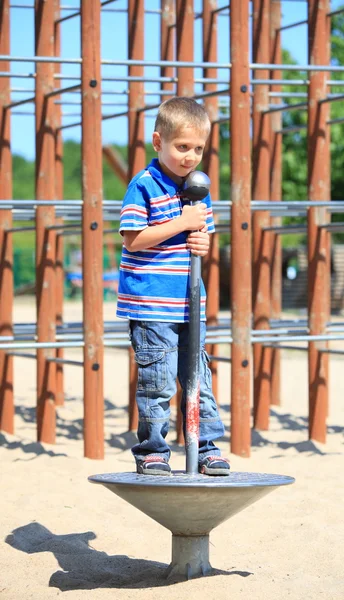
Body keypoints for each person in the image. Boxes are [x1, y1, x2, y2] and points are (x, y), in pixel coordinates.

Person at [117, 97, 230, 477]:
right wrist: (182, 223)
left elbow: (202, 240)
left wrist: (202, 240)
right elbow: (133, 239)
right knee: (158, 384)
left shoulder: (199, 188)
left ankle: (206, 446)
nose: (190, 156)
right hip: (151, 304)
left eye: (198, 148)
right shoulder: (144, 185)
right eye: (182, 147)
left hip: (188, 303)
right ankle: (152, 450)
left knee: (199, 378)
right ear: (158, 142)